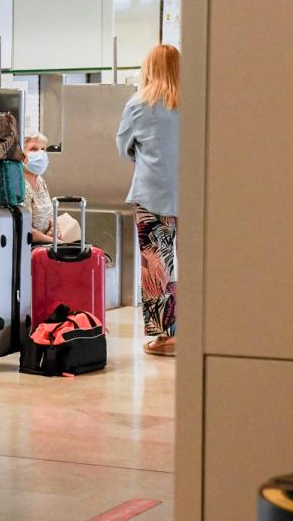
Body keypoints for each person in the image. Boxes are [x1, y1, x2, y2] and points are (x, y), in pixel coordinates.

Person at [117, 44, 180, 357]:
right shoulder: (197, 100)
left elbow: (124, 145)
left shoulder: (138, 104)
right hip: (192, 194)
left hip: (152, 194)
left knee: (157, 266)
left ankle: (166, 337)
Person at [21, 132, 61, 244]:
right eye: (33, 149)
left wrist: (55, 229)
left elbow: (50, 213)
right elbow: (26, 231)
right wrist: (56, 242)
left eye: (43, 149)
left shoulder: (40, 180)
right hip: (32, 246)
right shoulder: (20, 184)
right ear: (21, 154)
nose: (40, 154)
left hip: (48, 241)